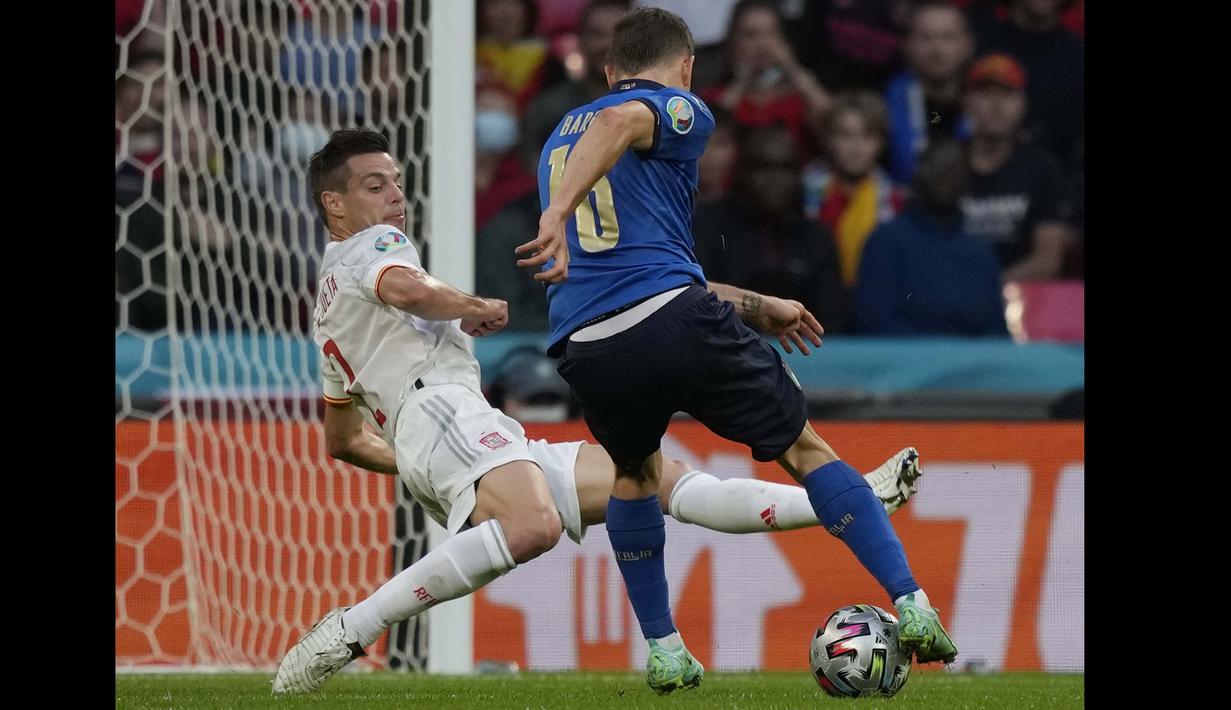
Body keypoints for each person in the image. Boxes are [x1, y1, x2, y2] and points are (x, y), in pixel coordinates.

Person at [271, 128, 924, 694]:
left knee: (652, 480)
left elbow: (343, 440)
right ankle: (350, 630)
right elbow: (407, 287)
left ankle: (849, 499)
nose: (393, 196)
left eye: (395, 182)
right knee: (533, 527)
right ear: (334, 204)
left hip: (452, 432)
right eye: (373, 185)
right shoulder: (373, 252)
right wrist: (470, 306)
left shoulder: (328, 307)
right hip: (439, 412)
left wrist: (419, 465)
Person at [518, 7, 957, 695]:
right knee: (806, 450)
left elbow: (647, 262)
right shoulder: (676, 109)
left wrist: (755, 306)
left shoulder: (554, 140)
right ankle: (913, 604)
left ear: (606, 69)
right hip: (670, 320)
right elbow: (618, 123)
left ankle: (663, 650)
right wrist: (553, 216)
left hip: (587, 343)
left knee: (634, 475)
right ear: (685, 66)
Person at [855, 139, 1008, 336]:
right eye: (935, 167)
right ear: (918, 174)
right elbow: (875, 324)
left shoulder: (980, 250)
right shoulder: (885, 242)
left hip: (974, 365)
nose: (944, 176)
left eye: (953, 169)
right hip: (902, 363)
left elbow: (997, 333)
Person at [959, 53, 1076, 281]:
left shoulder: (1043, 169)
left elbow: (1047, 261)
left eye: (1007, 94)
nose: (996, 105)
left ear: (1023, 103)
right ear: (967, 102)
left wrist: (987, 292)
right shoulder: (946, 166)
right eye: (985, 94)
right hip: (948, 302)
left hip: (1023, 300)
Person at [884, 0, 975, 183]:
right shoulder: (886, 104)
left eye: (948, 37)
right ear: (907, 45)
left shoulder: (986, 96)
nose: (937, 49)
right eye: (925, 38)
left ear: (967, 45)